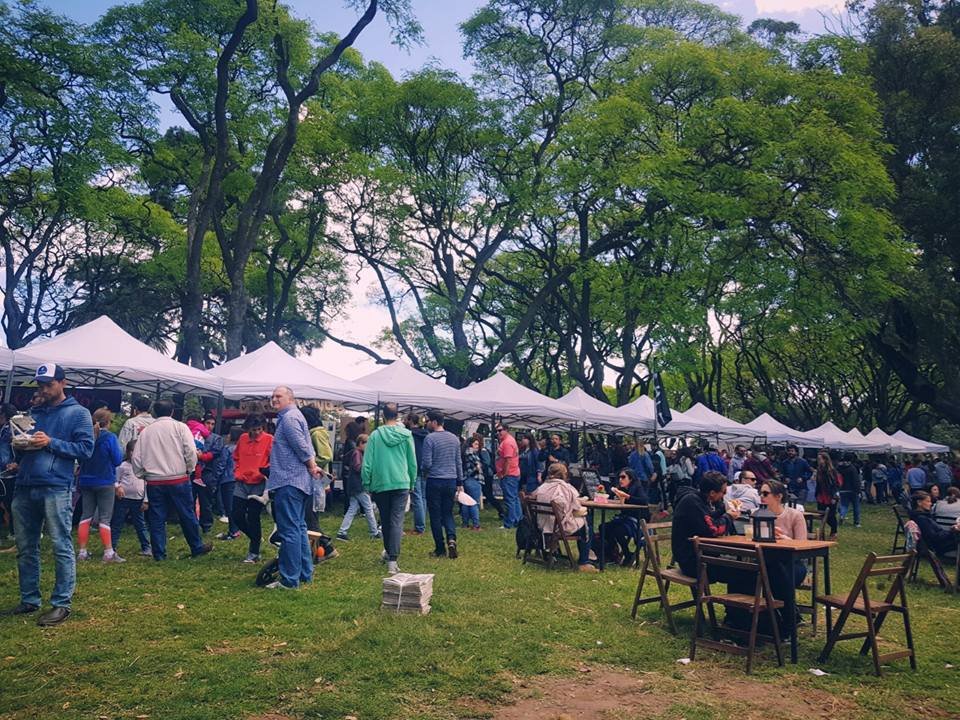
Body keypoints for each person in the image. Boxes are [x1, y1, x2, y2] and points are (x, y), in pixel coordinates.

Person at [3, 364, 94, 626]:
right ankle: (29, 599)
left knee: (60, 544)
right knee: (25, 546)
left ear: (63, 383)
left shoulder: (78, 413)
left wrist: (51, 442)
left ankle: (62, 603)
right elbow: (25, 446)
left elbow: (86, 450)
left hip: (56, 486)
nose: (43, 389)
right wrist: (19, 447)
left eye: (49, 384)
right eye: (40, 384)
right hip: (25, 484)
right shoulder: (34, 413)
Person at [132, 399, 212, 561]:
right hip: (178, 477)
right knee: (186, 513)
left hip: (154, 480)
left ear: (155, 412)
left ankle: (159, 553)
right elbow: (190, 451)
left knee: (157, 517)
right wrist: (189, 469)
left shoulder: (147, 432)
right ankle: (196, 546)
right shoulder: (180, 427)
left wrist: (142, 474)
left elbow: (136, 457)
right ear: (172, 411)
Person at [264, 386, 321, 590]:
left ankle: (289, 580)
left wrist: (312, 466)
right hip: (299, 482)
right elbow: (306, 447)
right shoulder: (295, 416)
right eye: (272, 396)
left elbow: (302, 447)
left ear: (290, 398)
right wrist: (312, 467)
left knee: (289, 531)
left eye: (278, 396)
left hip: (289, 481)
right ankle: (305, 573)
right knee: (299, 529)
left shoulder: (289, 419)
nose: (274, 399)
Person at [361, 402, 417, 575]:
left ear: (383, 416)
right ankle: (392, 559)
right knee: (397, 521)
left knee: (385, 520)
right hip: (401, 482)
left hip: (381, 483)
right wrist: (412, 482)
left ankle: (389, 553)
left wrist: (366, 483)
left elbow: (367, 462)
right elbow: (412, 462)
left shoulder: (375, 436)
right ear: (397, 415)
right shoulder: (407, 435)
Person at [528, 463, 597, 572]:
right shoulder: (564, 488)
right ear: (564, 474)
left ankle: (587, 556)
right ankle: (584, 561)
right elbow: (575, 507)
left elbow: (533, 497)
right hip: (559, 527)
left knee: (585, 521)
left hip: (543, 526)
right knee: (587, 523)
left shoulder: (542, 487)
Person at [670, 471, 739, 578]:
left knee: (744, 566)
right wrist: (729, 516)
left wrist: (724, 509)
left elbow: (709, 518)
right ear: (712, 493)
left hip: (702, 556)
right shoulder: (692, 502)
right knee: (745, 571)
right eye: (724, 492)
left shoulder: (699, 500)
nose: (725, 495)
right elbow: (713, 529)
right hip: (693, 562)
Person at [77, 408, 124, 563]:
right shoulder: (110, 437)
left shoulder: (85, 436)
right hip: (105, 481)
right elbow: (117, 459)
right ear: (108, 422)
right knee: (105, 517)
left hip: (85, 481)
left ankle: (82, 552)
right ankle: (108, 552)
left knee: (85, 516)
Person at [421, 411, 464, 559]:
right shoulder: (454, 439)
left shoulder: (429, 439)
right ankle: (451, 539)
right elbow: (458, 462)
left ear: (434, 422)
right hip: (451, 480)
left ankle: (440, 548)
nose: (426, 423)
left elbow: (427, 463)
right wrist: (460, 482)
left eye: (427, 421)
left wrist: (424, 472)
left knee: (435, 515)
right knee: (448, 513)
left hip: (434, 480)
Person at [232, 414, 273, 562]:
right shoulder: (243, 438)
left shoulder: (269, 439)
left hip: (258, 483)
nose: (256, 432)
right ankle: (255, 537)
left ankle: (254, 552)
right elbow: (236, 456)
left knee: (253, 516)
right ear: (248, 428)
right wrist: (237, 470)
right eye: (253, 429)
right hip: (241, 482)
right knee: (236, 515)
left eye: (259, 429)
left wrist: (264, 471)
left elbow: (274, 459)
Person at [759, 479, 808, 587]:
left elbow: (802, 545)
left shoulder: (795, 515)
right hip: (765, 561)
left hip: (792, 563)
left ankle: (782, 599)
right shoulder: (757, 515)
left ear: (778, 496)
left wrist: (786, 540)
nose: (761, 496)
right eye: (760, 493)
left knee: (779, 572)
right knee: (743, 573)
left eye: (765, 493)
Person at [599, 468, 650, 566]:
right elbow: (610, 496)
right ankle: (613, 553)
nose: (620, 480)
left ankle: (627, 555)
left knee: (617, 530)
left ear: (631, 479)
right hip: (624, 518)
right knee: (603, 527)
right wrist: (604, 491)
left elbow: (644, 501)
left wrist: (627, 497)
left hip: (637, 520)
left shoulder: (637, 488)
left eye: (623, 477)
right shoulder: (621, 489)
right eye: (619, 477)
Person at [111, 439, 151, 557]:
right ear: (128, 452)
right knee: (117, 522)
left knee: (140, 524)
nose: (134, 454)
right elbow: (115, 479)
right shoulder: (122, 466)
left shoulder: (144, 468)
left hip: (138, 499)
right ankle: (112, 547)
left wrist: (146, 500)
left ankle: (146, 547)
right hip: (123, 498)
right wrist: (118, 487)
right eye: (131, 451)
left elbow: (146, 484)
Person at [336, 434, 380, 541]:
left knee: (352, 509)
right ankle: (374, 532)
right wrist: (368, 468)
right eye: (367, 444)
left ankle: (342, 532)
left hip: (353, 486)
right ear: (361, 443)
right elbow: (357, 467)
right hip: (359, 486)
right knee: (368, 508)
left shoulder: (355, 452)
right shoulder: (357, 453)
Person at [301, 406, 333, 531]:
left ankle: (321, 542)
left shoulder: (317, 434)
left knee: (311, 516)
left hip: (316, 480)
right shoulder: (315, 433)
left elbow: (326, 456)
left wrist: (309, 463)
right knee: (309, 515)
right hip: (314, 479)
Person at [909, 490, 960, 557]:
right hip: (940, 546)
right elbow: (935, 538)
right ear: (919, 502)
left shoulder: (921, 516)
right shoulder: (921, 519)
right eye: (928, 501)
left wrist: (953, 529)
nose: (931, 503)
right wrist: (952, 531)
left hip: (942, 541)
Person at [403, 413, 428, 535]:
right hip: (425, 467)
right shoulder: (426, 434)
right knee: (422, 497)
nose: (404, 421)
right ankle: (421, 524)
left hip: (414, 467)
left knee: (416, 497)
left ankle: (419, 527)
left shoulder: (409, 435)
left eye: (405, 419)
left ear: (410, 421)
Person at [215, 427, 242, 540]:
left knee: (229, 506)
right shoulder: (242, 448)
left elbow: (222, 464)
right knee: (237, 505)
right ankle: (238, 528)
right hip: (239, 479)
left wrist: (216, 477)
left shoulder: (227, 449)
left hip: (227, 479)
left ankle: (233, 530)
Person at [0, 403, 21, 544]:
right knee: (9, 503)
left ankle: (15, 532)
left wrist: (16, 463)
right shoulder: (4, 430)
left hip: (9, 472)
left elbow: (18, 450)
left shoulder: (10, 430)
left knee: (11, 504)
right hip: (5, 472)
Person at [495, 424, 522, 530]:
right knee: (514, 498)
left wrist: (504, 473)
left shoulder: (507, 442)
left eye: (500, 430)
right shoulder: (508, 440)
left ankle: (509, 523)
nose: (498, 433)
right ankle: (518, 520)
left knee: (509, 499)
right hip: (513, 474)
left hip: (509, 474)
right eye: (497, 431)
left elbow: (508, 460)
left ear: (506, 430)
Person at [814, 451, 841, 540]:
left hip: (830, 496)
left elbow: (835, 484)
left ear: (825, 460)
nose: (818, 461)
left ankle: (834, 532)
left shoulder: (831, 471)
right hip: (821, 495)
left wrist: (834, 496)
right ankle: (823, 532)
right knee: (821, 514)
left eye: (820, 459)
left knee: (830, 515)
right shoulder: (819, 470)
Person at [461, 436, 483, 530]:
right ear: (471, 445)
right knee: (474, 502)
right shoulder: (471, 453)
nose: (477, 446)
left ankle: (465, 523)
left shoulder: (464, 453)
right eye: (476, 444)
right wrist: (478, 466)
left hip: (466, 479)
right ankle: (476, 524)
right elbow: (477, 465)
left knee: (466, 502)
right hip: (474, 479)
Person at [837, 453, 862, 528]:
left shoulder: (839, 468)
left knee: (844, 505)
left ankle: (842, 515)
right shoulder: (852, 468)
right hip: (853, 490)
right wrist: (858, 491)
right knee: (856, 506)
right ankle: (856, 522)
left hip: (842, 489)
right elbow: (856, 480)